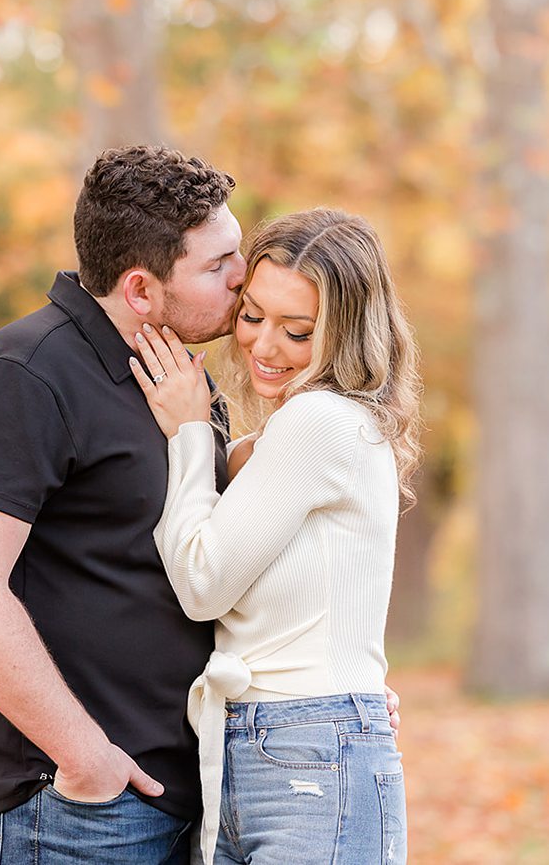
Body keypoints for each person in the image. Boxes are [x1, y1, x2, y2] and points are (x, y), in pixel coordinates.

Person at [0, 145, 246, 864]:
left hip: (186, 797)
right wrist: (86, 760)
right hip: (77, 810)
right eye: (217, 264)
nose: (243, 278)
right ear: (140, 289)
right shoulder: (21, 377)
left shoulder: (179, 386)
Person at [129, 208, 422, 865]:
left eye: (297, 331)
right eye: (253, 315)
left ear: (346, 336)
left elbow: (203, 584)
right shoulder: (281, 436)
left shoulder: (320, 421)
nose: (263, 346)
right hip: (270, 744)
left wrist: (188, 432)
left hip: (307, 752)